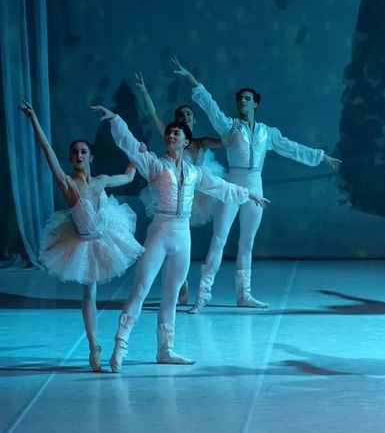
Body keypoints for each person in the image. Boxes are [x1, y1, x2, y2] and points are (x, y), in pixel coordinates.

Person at [91, 105, 268, 372]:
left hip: (182, 236)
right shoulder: (154, 164)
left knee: (172, 294)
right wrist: (116, 119)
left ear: (186, 141)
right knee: (141, 288)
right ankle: (120, 346)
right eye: (169, 133)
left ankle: (165, 349)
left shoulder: (195, 172)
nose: (171, 136)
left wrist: (249, 194)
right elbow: (129, 145)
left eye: (177, 134)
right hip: (160, 232)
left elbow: (221, 187)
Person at [173, 58, 341, 312]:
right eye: (240, 99)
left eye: (247, 98)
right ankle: (203, 295)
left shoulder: (267, 132)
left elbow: (291, 148)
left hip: (255, 187)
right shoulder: (230, 127)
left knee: (247, 242)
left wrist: (320, 156)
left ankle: (244, 294)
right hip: (232, 186)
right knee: (219, 239)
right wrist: (191, 79)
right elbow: (210, 106)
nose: (243, 101)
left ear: (255, 104)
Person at [20, 101, 143, 372]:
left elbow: (127, 177)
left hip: (107, 236)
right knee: (89, 292)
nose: (79, 155)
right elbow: (47, 150)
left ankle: (96, 345)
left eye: (83, 151)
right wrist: (34, 119)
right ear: (70, 158)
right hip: (82, 243)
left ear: (90, 157)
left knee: (95, 290)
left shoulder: (101, 180)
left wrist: (137, 152)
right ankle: (93, 345)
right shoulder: (68, 184)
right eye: (74, 152)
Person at [133, 71, 225, 305]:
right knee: (170, 239)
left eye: (188, 115)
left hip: (197, 193)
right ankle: (180, 283)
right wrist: (144, 92)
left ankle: (181, 281)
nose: (184, 118)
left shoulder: (201, 142)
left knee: (184, 241)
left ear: (194, 120)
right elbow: (154, 115)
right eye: (180, 116)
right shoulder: (173, 136)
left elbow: (226, 139)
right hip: (172, 192)